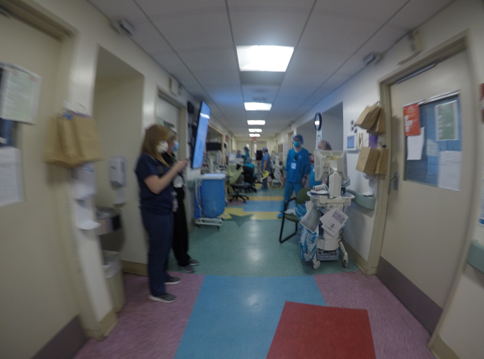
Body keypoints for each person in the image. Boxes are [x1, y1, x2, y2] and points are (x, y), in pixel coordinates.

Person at [135, 125, 188, 304]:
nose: (168, 144)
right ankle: (156, 291)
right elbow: (156, 186)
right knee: (157, 250)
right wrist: (175, 169)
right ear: (155, 141)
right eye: (165, 140)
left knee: (165, 246)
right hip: (154, 213)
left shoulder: (157, 159)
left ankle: (163, 275)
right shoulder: (144, 160)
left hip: (166, 210)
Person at [162, 132, 199, 273]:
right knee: (176, 231)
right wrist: (176, 168)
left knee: (183, 229)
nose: (177, 143)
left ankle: (186, 256)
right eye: (176, 141)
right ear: (169, 142)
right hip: (171, 200)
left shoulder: (172, 156)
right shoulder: (162, 158)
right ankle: (182, 260)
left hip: (179, 198)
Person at [278, 134, 311, 219]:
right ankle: (282, 211)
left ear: (301, 141)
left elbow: (307, 166)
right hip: (289, 178)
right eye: (295, 140)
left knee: (300, 197)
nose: (296, 142)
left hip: (299, 179)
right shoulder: (290, 152)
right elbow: (288, 165)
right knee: (286, 196)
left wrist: (304, 177)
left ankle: (301, 213)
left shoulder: (304, 152)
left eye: (298, 140)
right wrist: (285, 175)